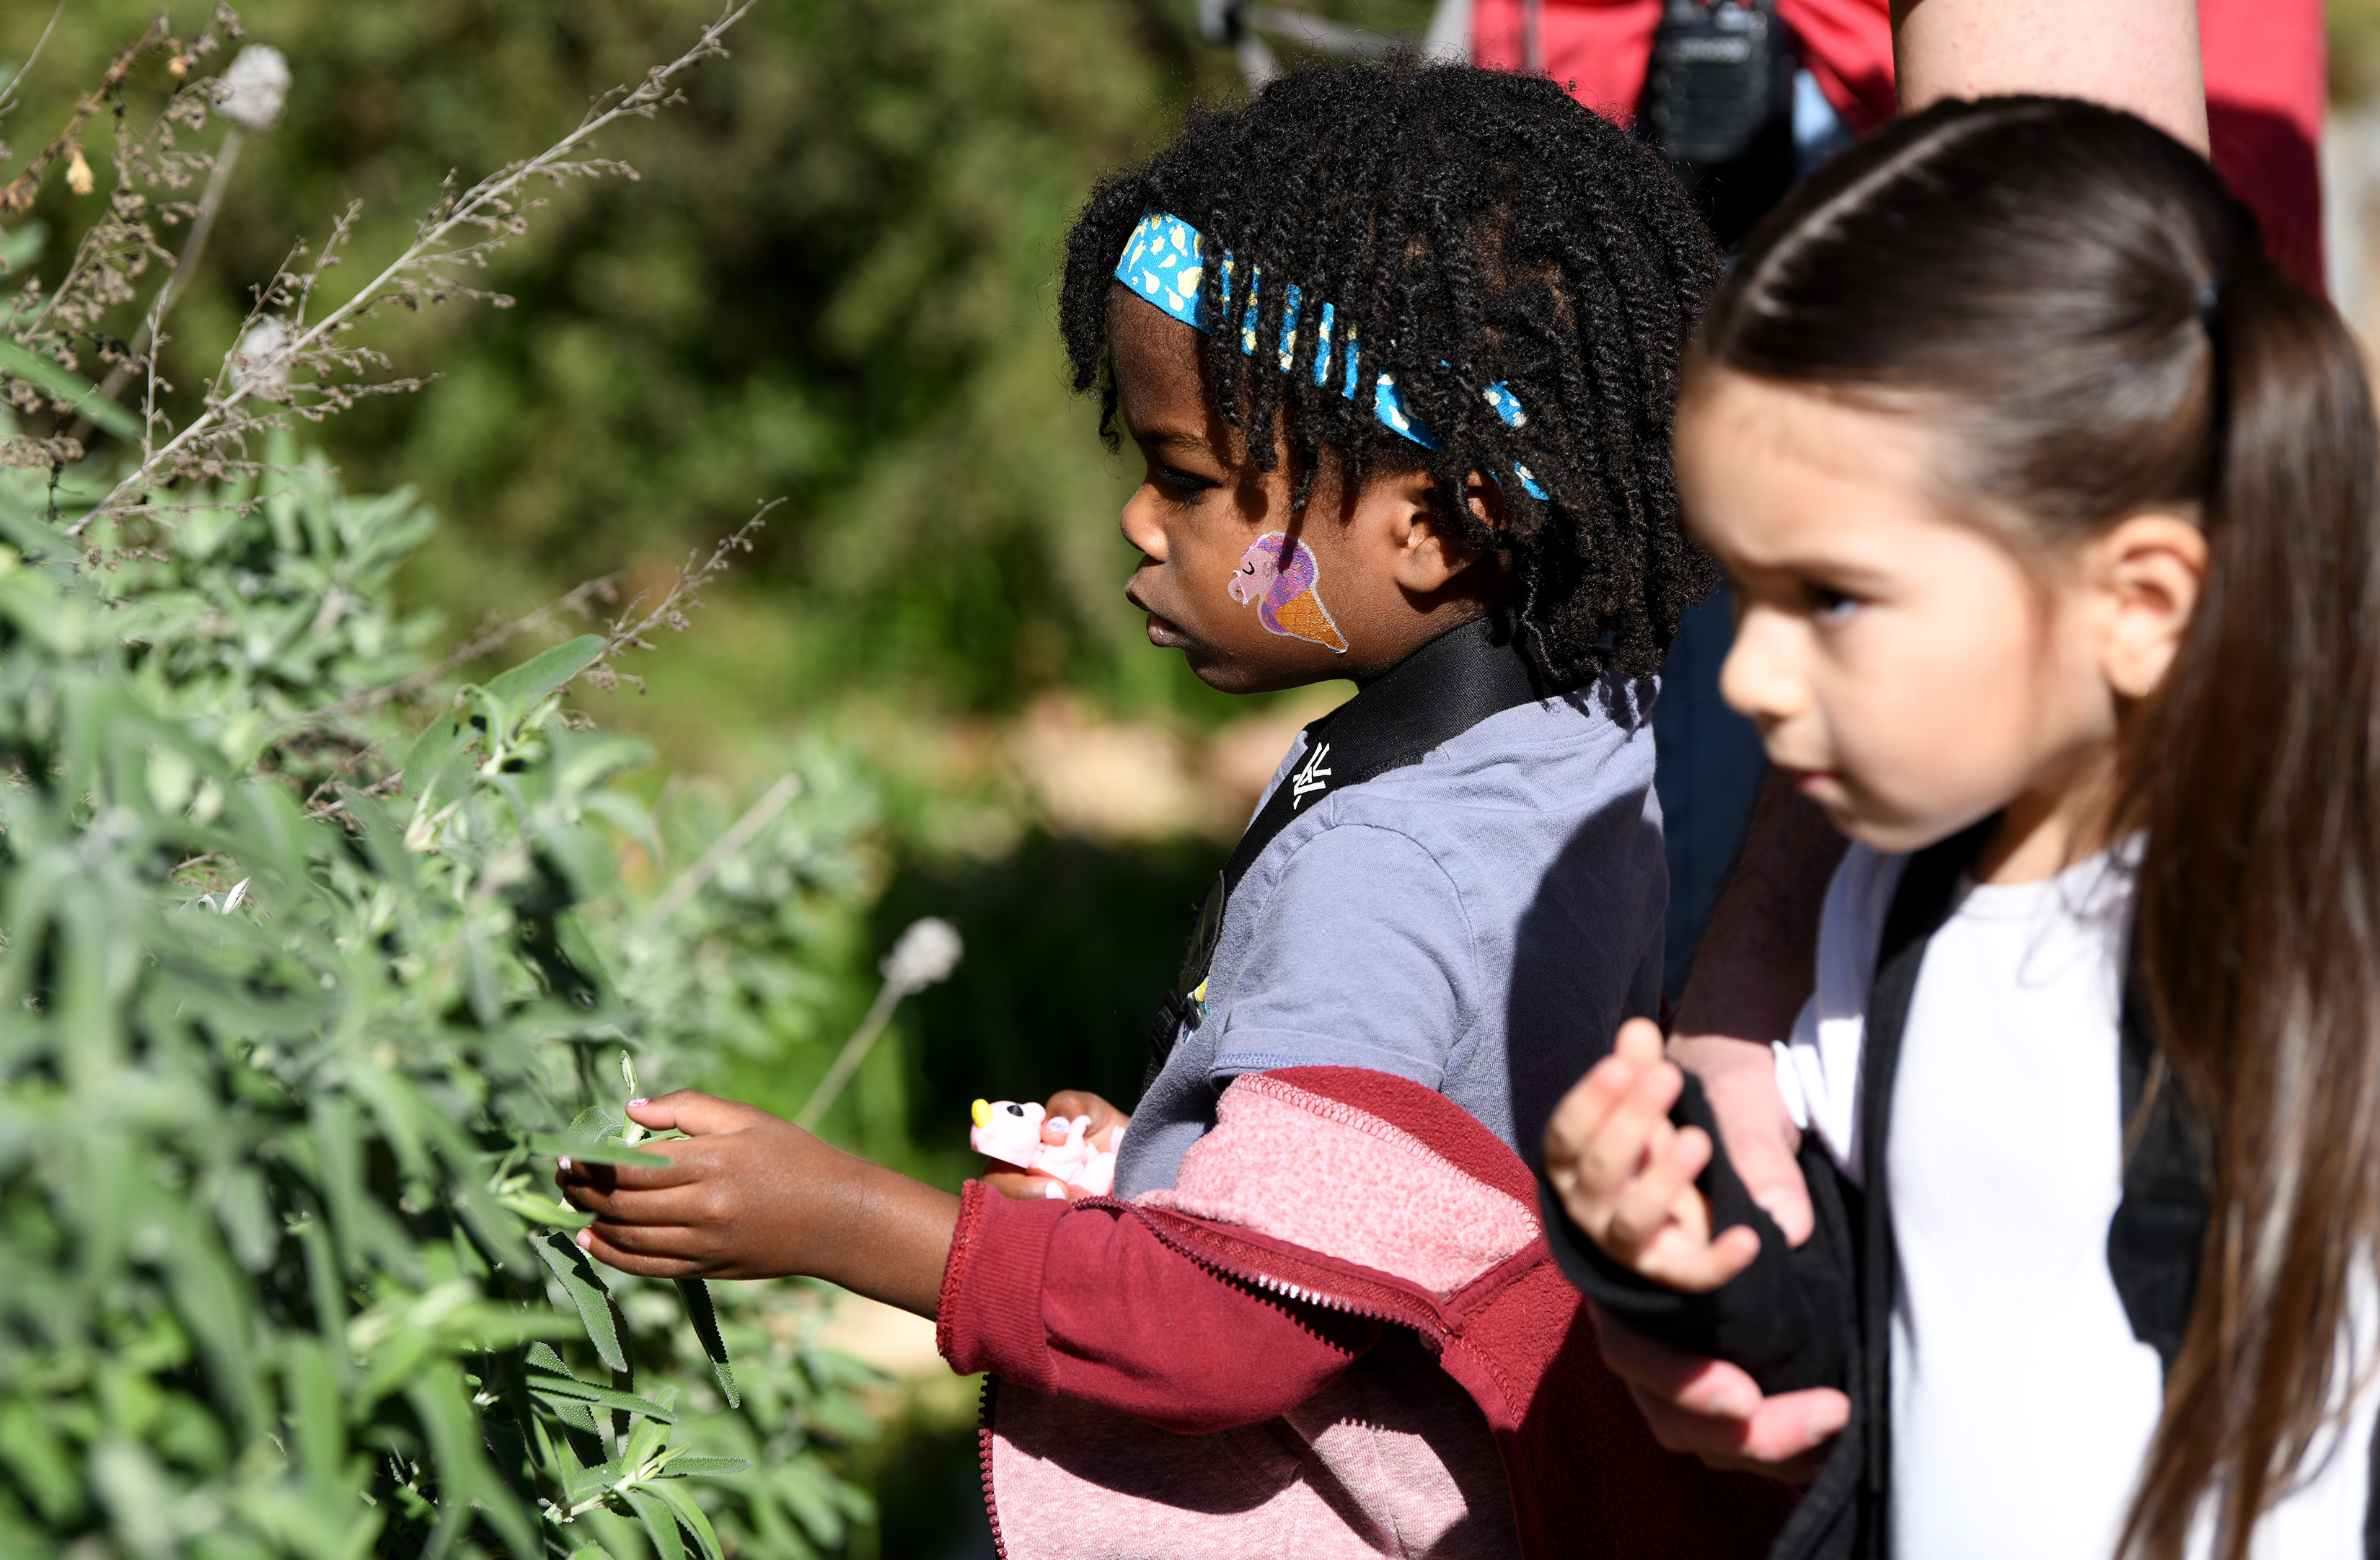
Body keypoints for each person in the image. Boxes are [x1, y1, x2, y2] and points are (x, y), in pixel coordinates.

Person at [558, 61, 1799, 1559]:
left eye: (1192, 478)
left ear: (1428, 528)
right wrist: (1165, 1155)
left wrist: (841, 1220)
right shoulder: (1571, 741)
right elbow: (1412, 1154)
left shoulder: (1387, 867)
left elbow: (1232, 1333)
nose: (1142, 525)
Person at [1542, 92, 2380, 1558]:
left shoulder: (2304, 953)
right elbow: (1870, 1324)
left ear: (2140, 604)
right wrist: (1680, 1251)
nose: (1745, 677)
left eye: (1836, 598)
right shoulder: (1898, 911)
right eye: (1742, 591)